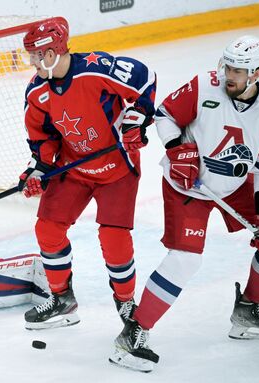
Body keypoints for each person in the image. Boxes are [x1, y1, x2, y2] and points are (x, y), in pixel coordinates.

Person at [110, 35, 259, 372]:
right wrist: (176, 149)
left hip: (236, 184)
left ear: (255, 73)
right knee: (185, 260)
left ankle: (249, 309)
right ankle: (134, 332)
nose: (229, 74)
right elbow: (165, 114)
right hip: (189, 183)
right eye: (227, 65)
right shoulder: (204, 86)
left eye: (238, 70)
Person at [17, 17, 157, 330]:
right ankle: (62, 299)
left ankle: (126, 304)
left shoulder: (96, 69)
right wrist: (37, 170)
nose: (32, 63)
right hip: (75, 168)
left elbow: (144, 80)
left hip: (117, 166)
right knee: (48, 230)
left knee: (113, 236)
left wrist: (135, 121)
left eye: (36, 57)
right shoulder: (37, 92)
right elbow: (42, 138)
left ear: (51, 54)